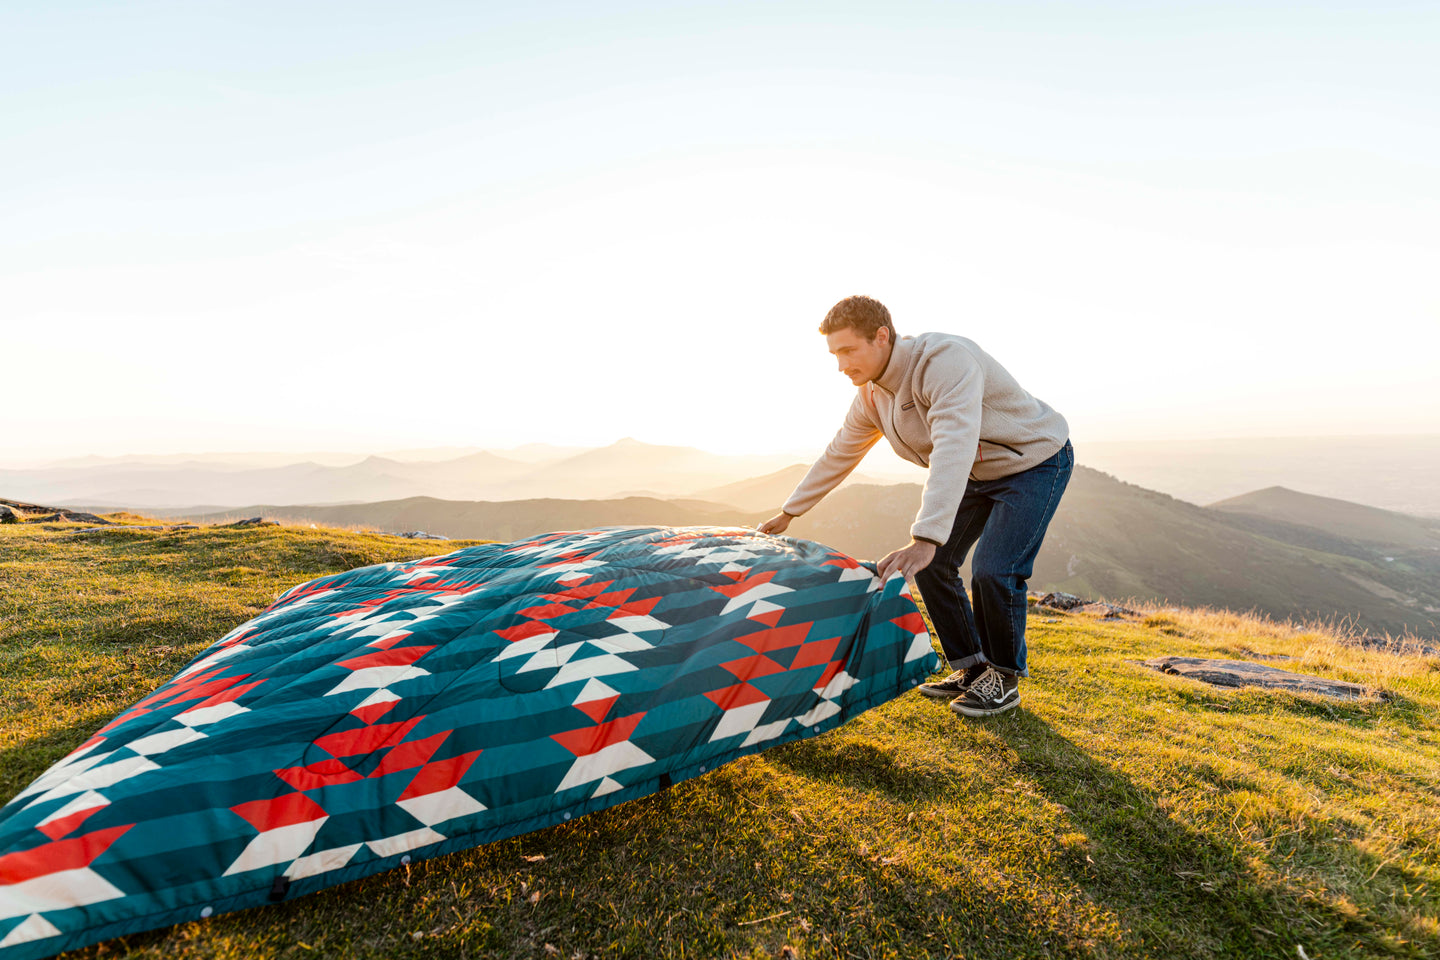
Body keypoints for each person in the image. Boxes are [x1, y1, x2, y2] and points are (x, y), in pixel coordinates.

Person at [758, 295, 1072, 717]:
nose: (841, 365)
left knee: (995, 570)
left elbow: (953, 444)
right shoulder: (872, 395)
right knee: (936, 565)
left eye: (849, 350)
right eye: (835, 354)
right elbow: (840, 453)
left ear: (882, 336)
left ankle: (1004, 677)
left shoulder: (944, 361)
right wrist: (790, 511)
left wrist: (924, 537)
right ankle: (974, 669)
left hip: (1033, 462)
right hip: (976, 474)